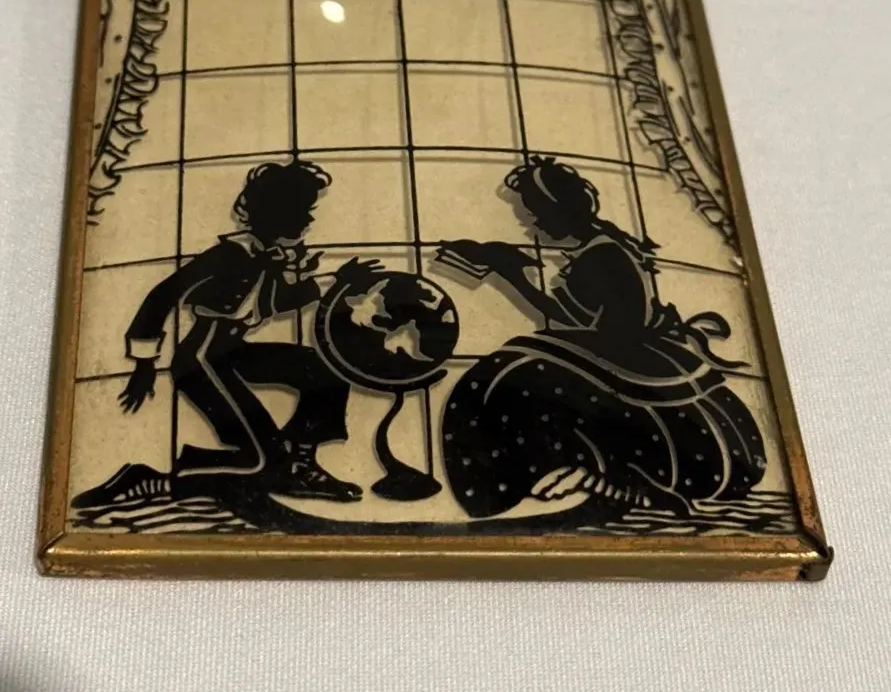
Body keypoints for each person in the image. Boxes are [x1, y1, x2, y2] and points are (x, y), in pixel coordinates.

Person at [437, 155, 767, 520]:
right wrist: (514, 277)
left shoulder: (602, 256)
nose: (529, 222)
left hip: (627, 356)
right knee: (516, 363)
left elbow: (610, 328)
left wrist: (515, 277)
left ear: (559, 210)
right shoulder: (597, 250)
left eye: (534, 212)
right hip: (617, 350)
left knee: (513, 374)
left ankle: (611, 478)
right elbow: (577, 320)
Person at [74, 159, 363, 509]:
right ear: (275, 215)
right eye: (301, 212)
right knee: (261, 461)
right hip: (200, 361)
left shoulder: (271, 258)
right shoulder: (228, 255)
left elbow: (275, 302)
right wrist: (144, 364)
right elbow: (161, 296)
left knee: (324, 372)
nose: (308, 221)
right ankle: (151, 480)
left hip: (233, 351)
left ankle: (300, 463)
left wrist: (338, 283)